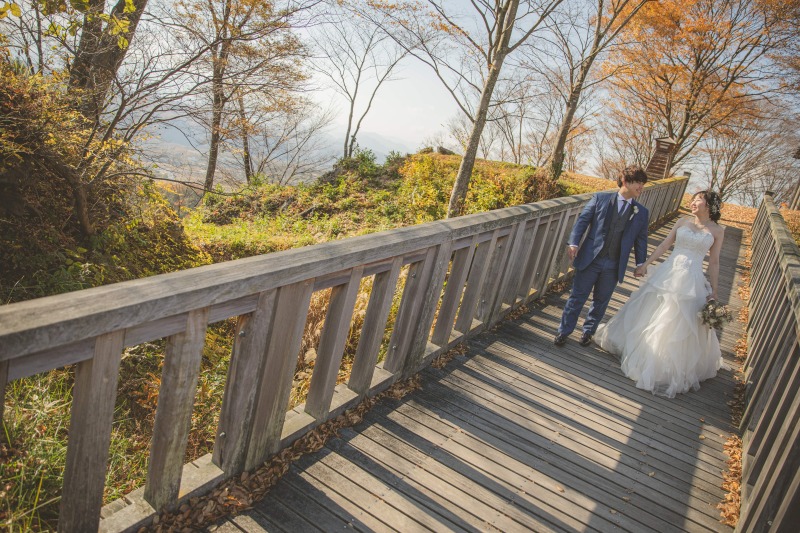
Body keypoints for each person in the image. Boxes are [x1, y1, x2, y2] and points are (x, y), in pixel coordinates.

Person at [594, 191, 726, 398]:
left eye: (697, 200)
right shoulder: (682, 221)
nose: (692, 202)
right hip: (669, 272)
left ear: (708, 205)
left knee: (676, 321)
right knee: (651, 312)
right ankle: (641, 352)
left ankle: (663, 365)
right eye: (693, 199)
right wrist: (646, 264)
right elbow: (665, 245)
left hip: (692, 280)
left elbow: (715, 261)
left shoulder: (717, 231)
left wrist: (715, 291)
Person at [554, 167, 650, 348]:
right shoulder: (600, 199)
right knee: (577, 297)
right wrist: (573, 242)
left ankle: (588, 332)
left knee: (601, 301)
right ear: (625, 181)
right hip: (591, 258)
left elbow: (641, 240)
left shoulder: (641, 212)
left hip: (614, 264)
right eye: (639, 182)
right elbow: (582, 221)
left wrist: (640, 263)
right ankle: (563, 331)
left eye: (643, 184)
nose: (641, 187)